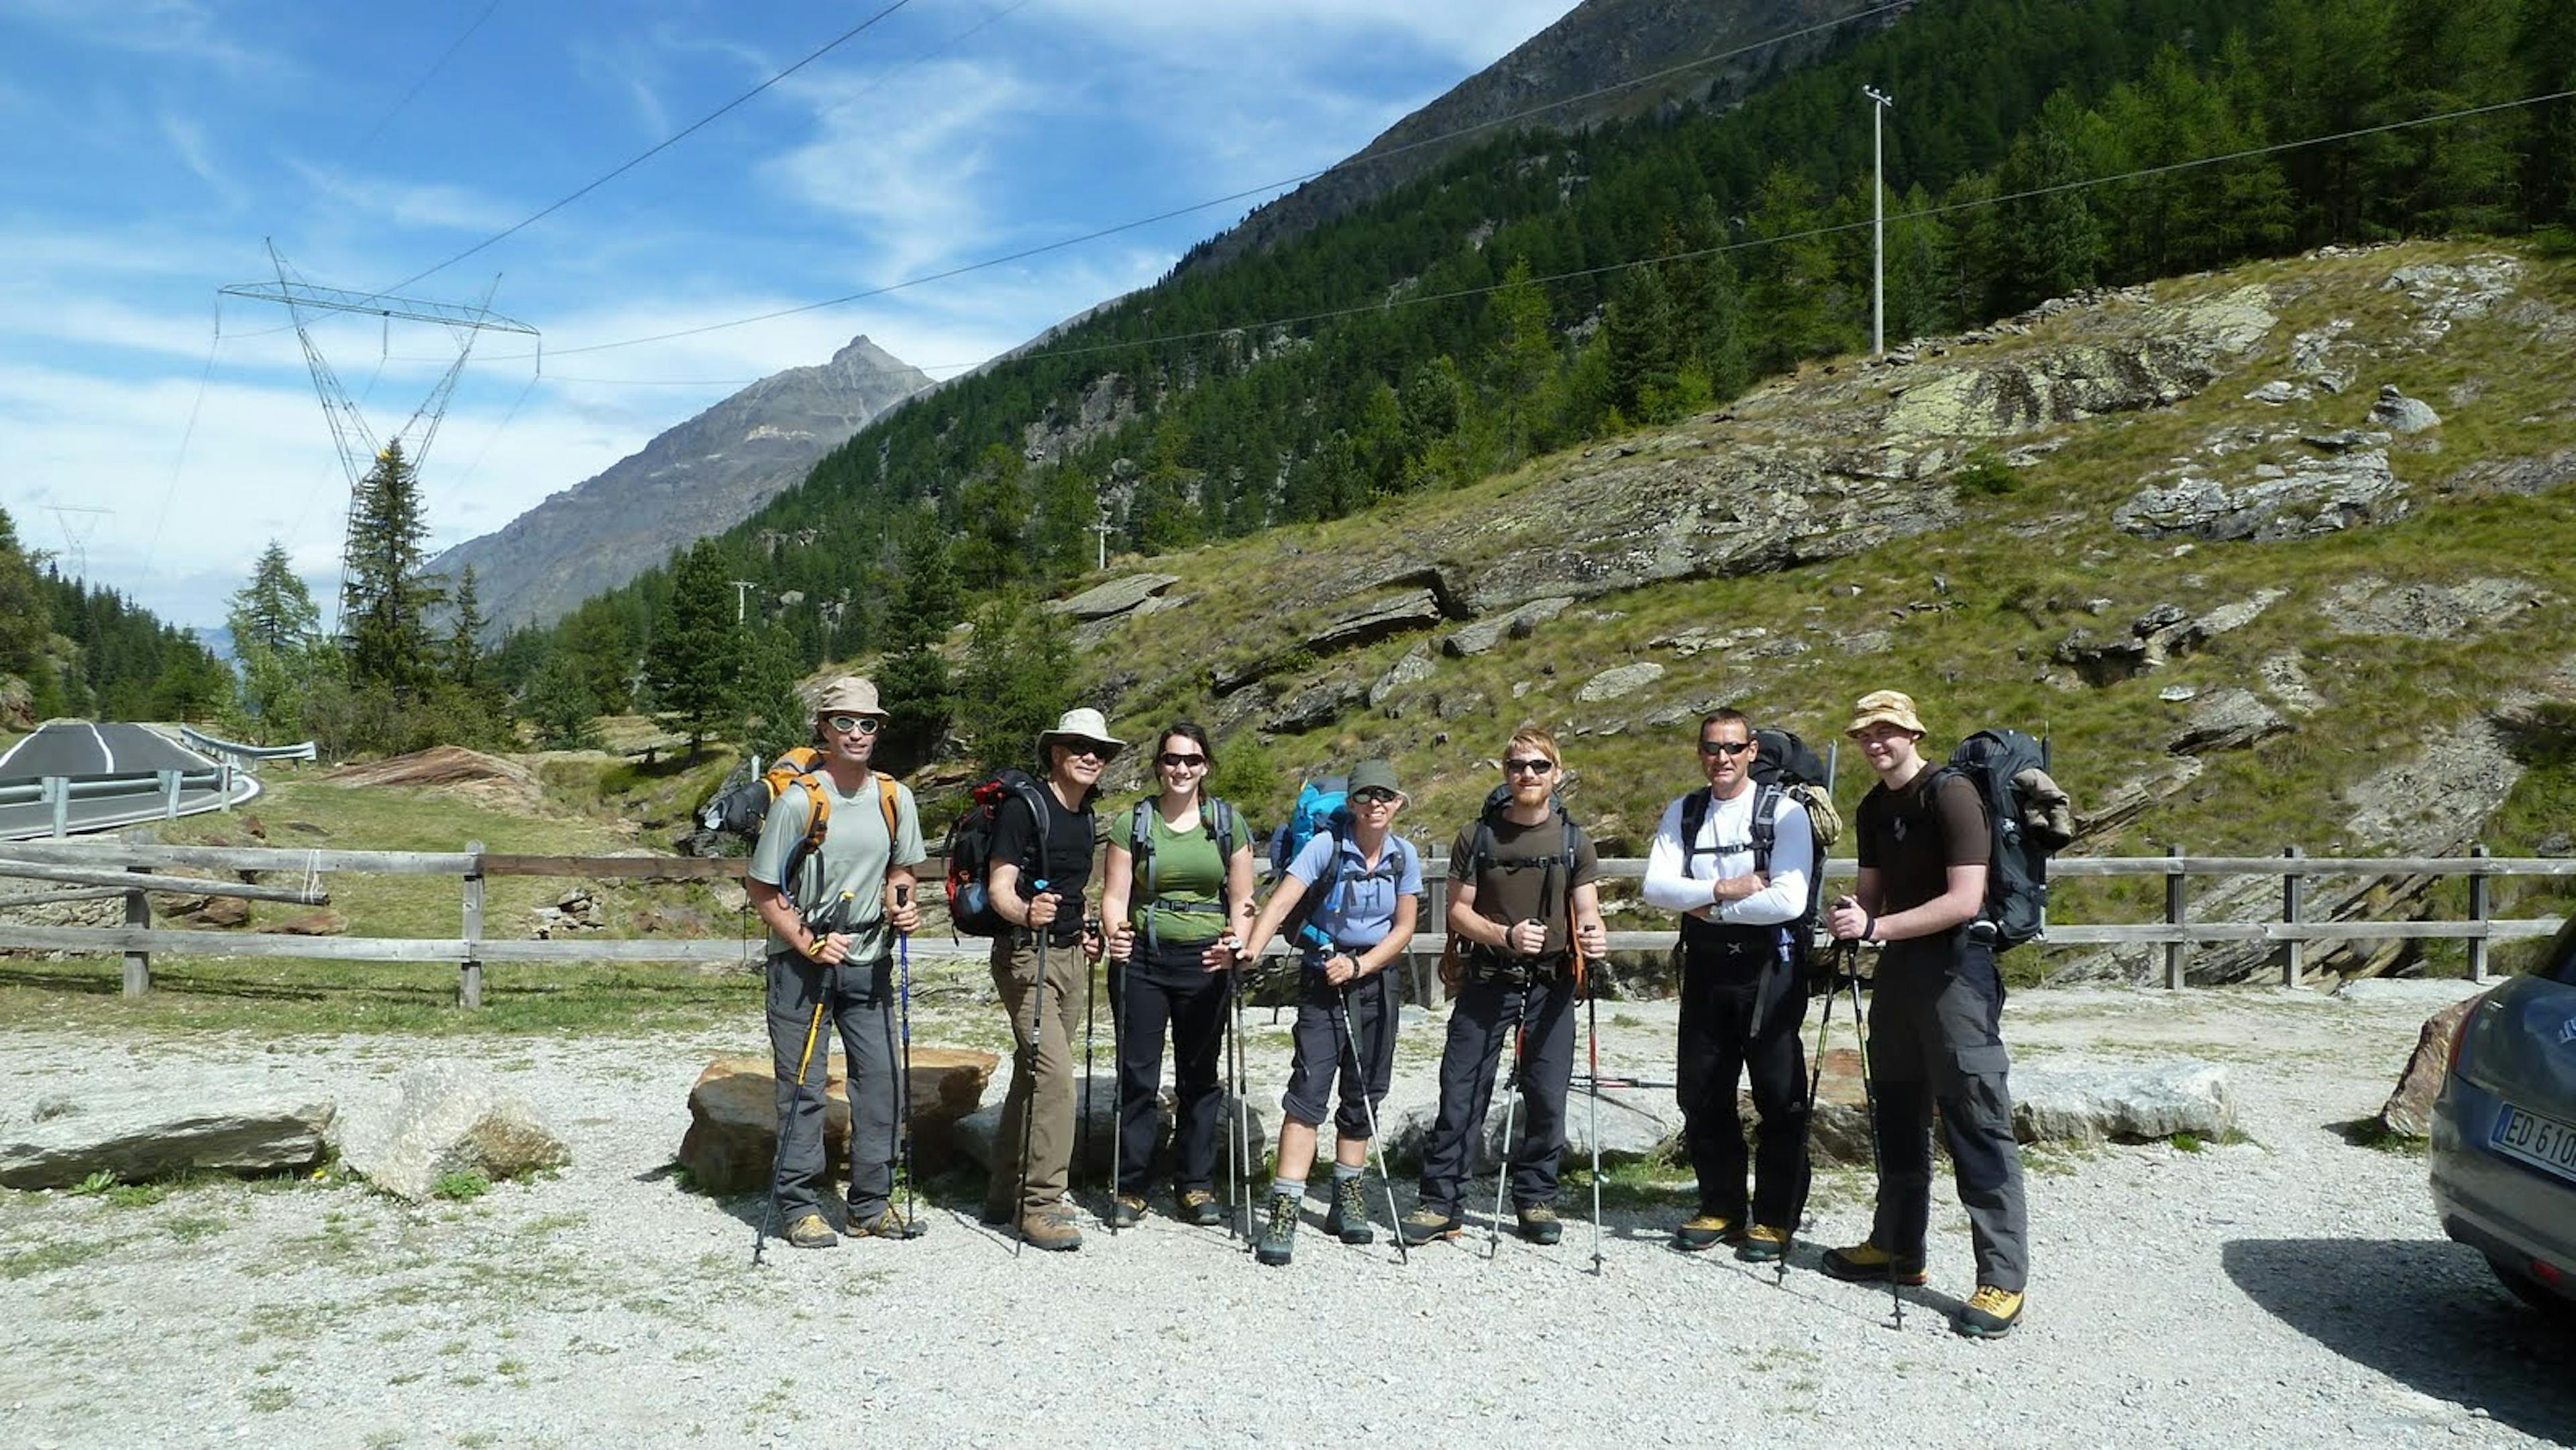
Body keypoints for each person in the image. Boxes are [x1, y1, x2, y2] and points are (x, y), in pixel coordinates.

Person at [1823, 689, 2031, 1339]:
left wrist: (1877, 924)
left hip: (1956, 976)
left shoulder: (1951, 794)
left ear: (1913, 732)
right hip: (1901, 976)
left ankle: (2003, 1276)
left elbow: (1965, 899)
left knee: (1974, 1117)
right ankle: (1897, 1246)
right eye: (1865, 733)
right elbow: (1871, 892)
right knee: (1896, 1113)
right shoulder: (1872, 806)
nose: (1874, 741)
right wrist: (1851, 915)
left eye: (1886, 730)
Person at [1403, 729, 1609, 1247]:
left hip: (1553, 983)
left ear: (1556, 773)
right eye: (1519, 766)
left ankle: (1535, 1197)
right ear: (1505, 772)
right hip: (1488, 978)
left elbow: (1587, 910)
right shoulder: (1478, 838)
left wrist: (1593, 934)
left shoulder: (1574, 840)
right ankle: (1440, 1201)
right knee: (1461, 1090)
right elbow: (1456, 912)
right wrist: (1507, 937)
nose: (1529, 775)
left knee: (1546, 1094)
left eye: (1539, 766)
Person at [745, 676, 928, 1249]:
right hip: (802, 966)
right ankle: (799, 1207)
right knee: (803, 1085)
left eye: (867, 723)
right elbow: (763, 888)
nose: (856, 733)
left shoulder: (895, 798)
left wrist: (902, 905)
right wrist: (808, 942)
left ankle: (870, 1205)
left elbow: (903, 870)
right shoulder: (801, 800)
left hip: (869, 959)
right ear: (823, 729)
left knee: (881, 1083)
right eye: (844, 722)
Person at [1641, 708, 1815, 1261]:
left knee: (1778, 1093)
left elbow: (1789, 899)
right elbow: (1655, 888)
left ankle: (1775, 1217)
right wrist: (1727, 890)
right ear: (1700, 751)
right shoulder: (1685, 811)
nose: (1722, 758)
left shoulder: (1784, 814)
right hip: (1708, 966)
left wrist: (1703, 900)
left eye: (1733, 748)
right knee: (1701, 1089)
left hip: (1771, 971)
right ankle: (1721, 1205)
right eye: (1712, 748)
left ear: (1753, 750)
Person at [1233, 759, 1421, 1266]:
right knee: (1309, 1091)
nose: (1375, 804)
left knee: (1365, 1090)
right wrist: (1251, 950)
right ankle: (1285, 1210)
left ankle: (1347, 1201)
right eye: (1365, 797)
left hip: (1376, 981)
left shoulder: (1404, 856)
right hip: (1322, 978)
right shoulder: (1324, 847)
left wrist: (1361, 965)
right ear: (1351, 804)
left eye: (1385, 796)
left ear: (1399, 803)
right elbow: (1279, 904)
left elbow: (1404, 929)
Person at [1097, 724, 1258, 1229]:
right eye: (1171, 760)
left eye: (1191, 760)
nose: (1181, 770)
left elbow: (1243, 899)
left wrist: (1237, 943)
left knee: (1200, 1076)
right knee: (1138, 1075)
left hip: (1207, 961)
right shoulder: (1134, 823)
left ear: (1205, 765)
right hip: (1143, 957)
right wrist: (1115, 932)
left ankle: (1196, 1184)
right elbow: (1115, 895)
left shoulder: (1227, 823)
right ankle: (1131, 1186)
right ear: (1158, 765)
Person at [981, 706, 1116, 1252]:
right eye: (1080, 747)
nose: (1091, 757)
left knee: (1031, 1074)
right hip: (1025, 958)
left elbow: (1076, 890)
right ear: (1056, 752)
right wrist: (1024, 914)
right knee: (1056, 1078)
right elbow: (1000, 888)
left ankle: (1001, 1193)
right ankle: (1040, 1204)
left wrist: (1087, 931)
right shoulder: (1023, 808)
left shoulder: (1086, 816)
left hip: (1069, 958)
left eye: (1100, 751)